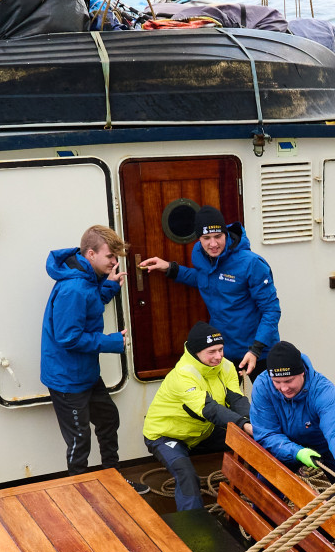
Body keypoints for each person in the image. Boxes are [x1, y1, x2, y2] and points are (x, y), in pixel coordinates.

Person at [41, 224, 148, 492]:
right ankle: (81, 494)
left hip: (85, 374)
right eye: (110, 257)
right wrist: (112, 342)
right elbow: (69, 337)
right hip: (67, 380)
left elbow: (89, 305)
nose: (114, 262)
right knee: (79, 439)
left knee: (108, 418)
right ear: (90, 254)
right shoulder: (74, 288)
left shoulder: (86, 280)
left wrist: (108, 289)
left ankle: (113, 480)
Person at [140, 205, 280, 378]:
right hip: (223, 352)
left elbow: (271, 310)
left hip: (258, 352)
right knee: (228, 403)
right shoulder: (199, 254)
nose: (213, 244)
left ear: (226, 234)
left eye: (218, 236)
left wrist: (256, 350)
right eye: (206, 238)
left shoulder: (251, 263)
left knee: (272, 402)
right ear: (199, 238)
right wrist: (170, 268)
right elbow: (205, 280)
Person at [143, 321, 252, 510]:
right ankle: (193, 528)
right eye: (211, 352)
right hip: (166, 435)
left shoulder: (226, 367)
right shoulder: (184, 374)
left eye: (220, 349)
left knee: (251, 443)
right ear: (195, 352)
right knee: (186, 475)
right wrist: (242, 423)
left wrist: (249, 423)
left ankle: (256, 503)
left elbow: (237, 399)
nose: (218, 356)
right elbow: (209, 409)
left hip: (202, 431)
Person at [250, 341, 335, 474]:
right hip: (282, 447)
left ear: (302, 373)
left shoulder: (323, 391)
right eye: (277, 382)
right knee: (264, 487)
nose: (283, 388)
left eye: (289, 381)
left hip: (323, 447)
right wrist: (297, 452)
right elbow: (266, 433)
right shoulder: (262, 386)